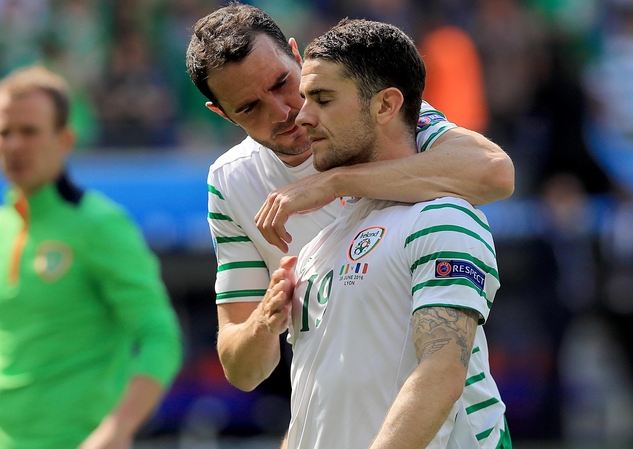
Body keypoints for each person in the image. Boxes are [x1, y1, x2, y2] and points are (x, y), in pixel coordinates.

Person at [185, 2, 514, 392]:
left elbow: (495, 173)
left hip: (453, 423)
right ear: (221, 113)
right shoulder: (230, 181)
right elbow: (243, 372)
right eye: (249, 108)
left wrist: (335, 182)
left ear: (296, 54)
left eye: (280, 83)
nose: (281, 111)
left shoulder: (373, 114)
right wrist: (264, 320)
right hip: (334, 422)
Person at [270, 18, 510, 448]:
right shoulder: (320, 244)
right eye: (305, 99)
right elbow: (313, 402)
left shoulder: (443, 217)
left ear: (385, 106)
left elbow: (441, 374)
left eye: (323, 99)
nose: (302, 117)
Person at [0, 66, 183, 449]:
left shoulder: (102, 225)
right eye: (4, 133)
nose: (15, 145)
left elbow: (160, 337)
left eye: (29, 131)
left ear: (65, 139)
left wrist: (117, 428)